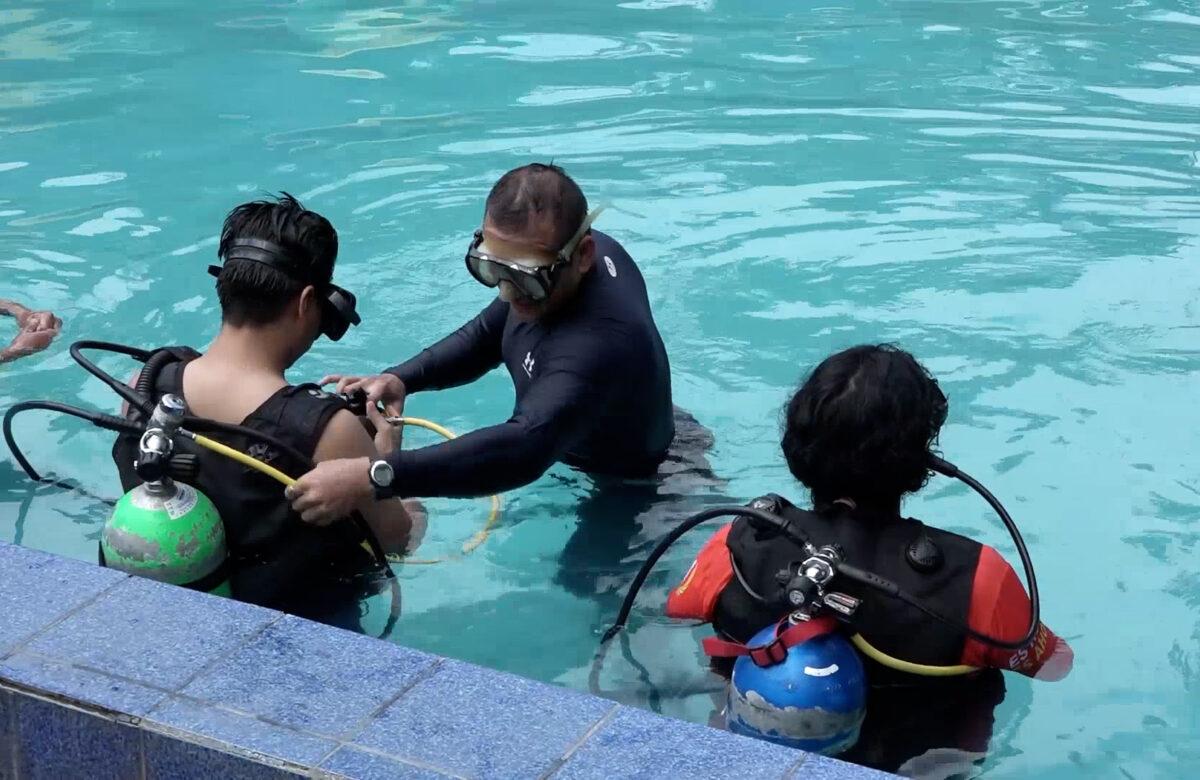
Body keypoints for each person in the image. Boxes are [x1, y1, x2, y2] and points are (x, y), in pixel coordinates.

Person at [664, 344, 1072, 776]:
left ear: (797, 444)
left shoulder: (737, 544)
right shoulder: (978, 580)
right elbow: (1054, 666)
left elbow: (677, 613)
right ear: (922, 459)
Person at [287, 163, 677, 522]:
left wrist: (372, 477)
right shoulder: (555, 266)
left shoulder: (599, 345)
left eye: (524, 277)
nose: (506, 293)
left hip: (639, 488)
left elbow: (523, 449)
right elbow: (489, 334)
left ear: (583, 255)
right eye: (492, 269)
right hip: (577, 427)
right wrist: (400, 378)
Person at [110, 194, 422, 623]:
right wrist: (388, 460)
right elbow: (400, 542)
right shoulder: (330, 430)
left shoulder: (143, 386)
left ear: (224, 286)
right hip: (299, 631)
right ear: (307, 302)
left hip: (167, 620)